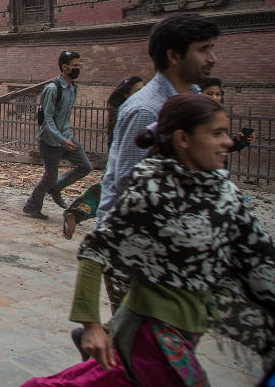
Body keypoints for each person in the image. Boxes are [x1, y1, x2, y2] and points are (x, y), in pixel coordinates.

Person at [22, 94, 275, 387]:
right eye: (216, 134)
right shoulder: (152, 190)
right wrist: (90, 323)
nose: (227, 142)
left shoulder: (226, 196)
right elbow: (97, 248)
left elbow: (260, 258)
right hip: (150, 334)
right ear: (183, 138)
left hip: (188, 330)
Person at [96, 13, 219, 225]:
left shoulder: (195, 96)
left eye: (211, 48)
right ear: (174, 56)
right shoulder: (147, 110)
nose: (212, 58)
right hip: (136, 233)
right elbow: (130, 180)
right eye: (202, 49)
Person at [62, 76, 143, 240]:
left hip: (124, 161)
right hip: (124, 160)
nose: (143, 94)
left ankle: (76, 214)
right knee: (111, 192)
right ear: (126, 94)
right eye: (138, 91)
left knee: (110, 191)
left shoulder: (132, 110)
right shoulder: (130, 113)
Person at [24, 51, 93, 220]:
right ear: (65, 67)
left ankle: (56, 188)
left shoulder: (73, 88)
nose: (78, 69)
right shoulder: (52, 89)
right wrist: (61, 140)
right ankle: (32, 206)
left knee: (85, 166)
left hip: (66, 136)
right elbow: (47, 120)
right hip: (50, 140)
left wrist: (65, 138)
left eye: (79, 65)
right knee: (50, 175)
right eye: (75, 66)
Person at [199, 77, 255, 152]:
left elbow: (222, 147)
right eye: (209, 93)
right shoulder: (194, 117)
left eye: (217, 94)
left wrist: (238, 141)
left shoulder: (218, 117)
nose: (214, 97)